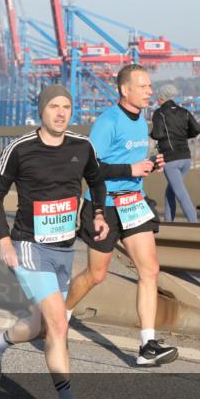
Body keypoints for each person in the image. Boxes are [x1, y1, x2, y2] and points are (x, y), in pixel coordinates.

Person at [0, 85, 109, 399]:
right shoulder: (20, 149)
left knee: (38, 326)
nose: (61, 112)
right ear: (41, 110)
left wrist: (97, 213)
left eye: (66, 106)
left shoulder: (83, 147)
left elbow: (97, 182)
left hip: (65, 248)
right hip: (28, 246)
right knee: (58, 324)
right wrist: (4, 240)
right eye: (54, 106)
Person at [64, 64, 179, 367]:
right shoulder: (108, 121)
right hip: (103, 206)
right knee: (96, 275)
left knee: (150, 270)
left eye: (150, 87)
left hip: (133, 203)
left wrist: (152, 163)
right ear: (124, 90)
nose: (149, 92)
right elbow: (90, 168)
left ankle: (147, 345)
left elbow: (134, 161)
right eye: (142, 87)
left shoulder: (142, 122)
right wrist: (130, 169)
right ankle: (60, 315)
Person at [149, 83, 200, 223]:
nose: (157, 99)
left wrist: (152, 134)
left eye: (159, 96)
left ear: (162, 98)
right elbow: (196, 129)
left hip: (171, 160)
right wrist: (183, 135)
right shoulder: (184, 112)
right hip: (186, 158)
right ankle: (168, 223)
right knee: (170, 191)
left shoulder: (159, 113)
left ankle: (195, 224)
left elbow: (158, 133)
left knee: (181, 194)